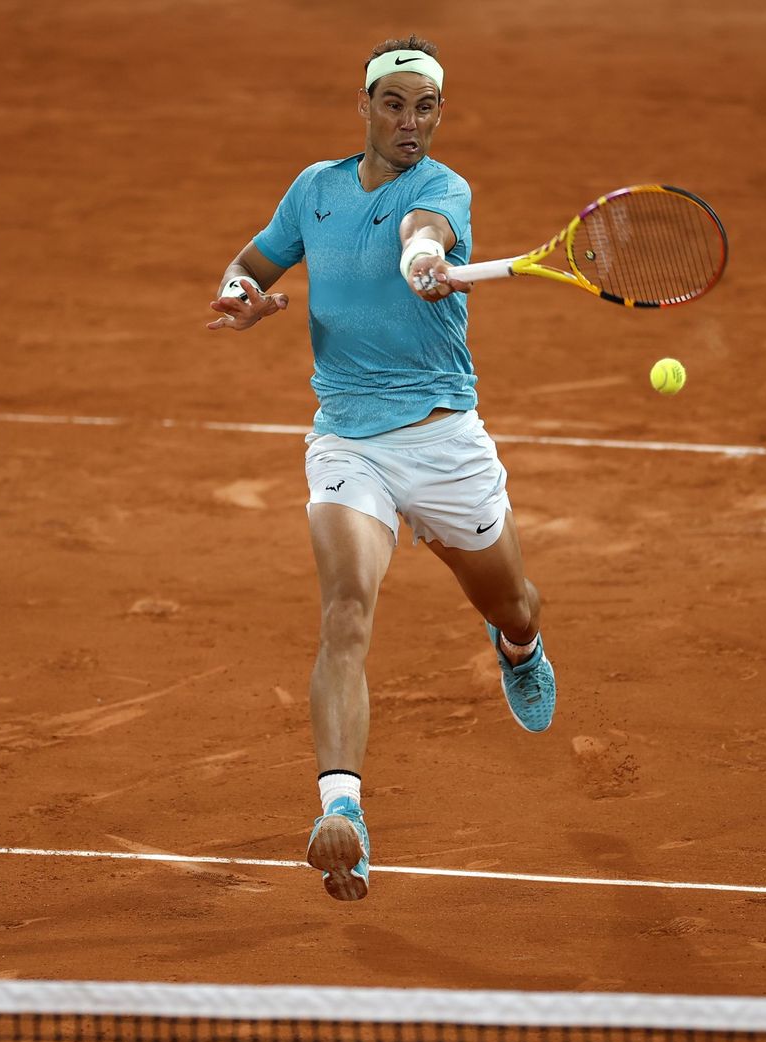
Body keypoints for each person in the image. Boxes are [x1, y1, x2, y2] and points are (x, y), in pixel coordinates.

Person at [206, 36, 556, 903]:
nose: (410, 122)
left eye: (426, 107)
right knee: (346, 610)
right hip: (348, 442)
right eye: (394, 104)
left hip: (442, 444)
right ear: (364, 106)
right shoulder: (314, 189)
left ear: (440, 114)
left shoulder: (442, 190)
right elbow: (254, 262)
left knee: (513, 603)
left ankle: (517, 648)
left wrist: (425, 264)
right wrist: (242, 297)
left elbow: (421, 236)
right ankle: (344, 814)